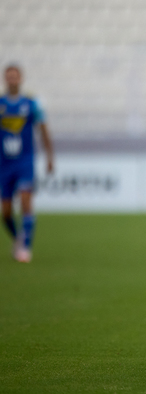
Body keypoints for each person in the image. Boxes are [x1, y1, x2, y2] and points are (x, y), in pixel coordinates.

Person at [0, 64, 54, 263]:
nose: (12, 80)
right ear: (5, 79)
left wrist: (50, 157)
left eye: (15, 76)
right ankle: (19, 238)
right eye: (9, 76)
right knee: (5, 212)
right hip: (4, 163)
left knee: (25, 200)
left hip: (24, 161)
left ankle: (25, 247)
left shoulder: (32, 103)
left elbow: (44, 130)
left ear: (21, 79)